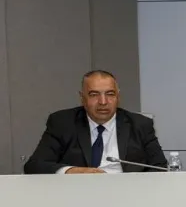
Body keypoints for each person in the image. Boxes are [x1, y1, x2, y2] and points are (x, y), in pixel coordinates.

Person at [23, 70, 167, 174]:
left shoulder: (140, 124)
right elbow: (34, 165)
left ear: (118, 97)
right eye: (94, 94)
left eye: (110, 94)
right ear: (82, 98)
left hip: (127, 194)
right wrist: (71, 171)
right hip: (77, 195)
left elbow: (160, 167)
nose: (103, 102)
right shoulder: (62, 123)